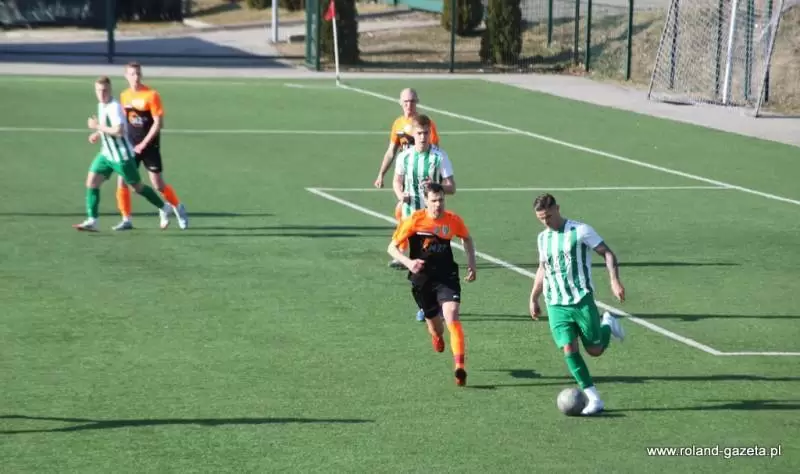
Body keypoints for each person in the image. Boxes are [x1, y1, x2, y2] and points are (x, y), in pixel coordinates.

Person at [529, 193, 626, 415]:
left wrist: (614, 280)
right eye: (541, 219)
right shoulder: (543, 238)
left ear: (558, 209)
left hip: (581, 299)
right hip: (555, 303)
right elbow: (543, 268)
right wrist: (534, 297)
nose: (546, 222)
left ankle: (607, 324)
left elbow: (607, 253)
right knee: (569, 348)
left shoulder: (580, 231)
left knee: (594, 350)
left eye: (549, 216)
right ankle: (594, 398)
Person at [388, 182, 477, 387]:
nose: (438, 204)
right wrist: (409, 263)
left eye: (441, 200)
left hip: (446, 276)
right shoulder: (414, 220)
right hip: (422, 280)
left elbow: (467, 239)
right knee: (436, 328)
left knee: (452, 315)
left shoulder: (453, 220)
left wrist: (472, 264)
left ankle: (460, 367)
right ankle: (437, 336)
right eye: (434, 200)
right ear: (426, 201)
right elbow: (392, 248)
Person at [73, 76, 173, 232]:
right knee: (92, 182)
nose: (102, 94)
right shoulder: (101, 105)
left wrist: (97, 126)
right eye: (98, 90)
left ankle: (164, 207)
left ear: (110, 90)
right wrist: (98, 133)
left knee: (137, 188)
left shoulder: (114, 107)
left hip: (122, 157)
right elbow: (107, 126)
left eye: (105, 90)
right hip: (106, 154)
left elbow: (119, 131)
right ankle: (93, 220)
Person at [392, 114, 457, 321]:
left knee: (434, 263)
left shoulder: (440, 156)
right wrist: (401, 195)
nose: (423, 137)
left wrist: (436, 186)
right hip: (412, 219)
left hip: (433, 220)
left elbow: (451, 187)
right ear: (413, 134)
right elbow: (397, 181)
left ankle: (435, 304)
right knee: (416, 266)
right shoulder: (405, 157)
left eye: (426, 133)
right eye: (419, 133)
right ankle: (425, 303)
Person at [113, 61, 188, 231]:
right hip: (131, 146)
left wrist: (144, 143)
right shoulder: (124, 95)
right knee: (122, 181)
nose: (136, 77)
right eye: (132, 74)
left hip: (149, 145)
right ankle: (126, 219)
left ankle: (177, 207)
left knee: (158, 184)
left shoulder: (151, 95)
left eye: (138, 73)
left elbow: (158, 123)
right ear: (126, 76)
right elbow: (124, 120)